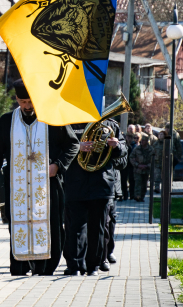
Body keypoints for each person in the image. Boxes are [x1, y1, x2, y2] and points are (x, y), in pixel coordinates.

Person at [0, 80, 78, 276]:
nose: (27, 106)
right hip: (16, 188)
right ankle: (21, 266)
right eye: (23, 102)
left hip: (48, 186)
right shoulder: (6, 121)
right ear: (17, 99)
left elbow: (73, 145)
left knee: (51, 225)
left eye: (30, 102)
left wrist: (58, 165)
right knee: (18, 224)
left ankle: (46, 268)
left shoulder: (53, 118)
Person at [63, 118, 127, 276]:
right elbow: (57, 147)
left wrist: (116, 145)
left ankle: (94, 266)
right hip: (75, 182)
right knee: (75, 227)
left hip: (101, 183)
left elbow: (124, 151)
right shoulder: (68, 122)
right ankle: (75, 265)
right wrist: (78, 147)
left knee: (97, 227)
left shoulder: (110, 124)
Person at [131, 133, 153, 202]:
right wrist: (137, 165)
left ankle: (142, 197)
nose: (142, 142)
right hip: (138, 169)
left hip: (146, 170)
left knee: (144, 184)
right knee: (138, 183)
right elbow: (131, 157)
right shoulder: (137, 149)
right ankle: (137, 196)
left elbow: (154, 160)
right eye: (142, 140)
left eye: (144, 140)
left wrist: (147, 166)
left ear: (147, 141)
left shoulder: (151, 149)